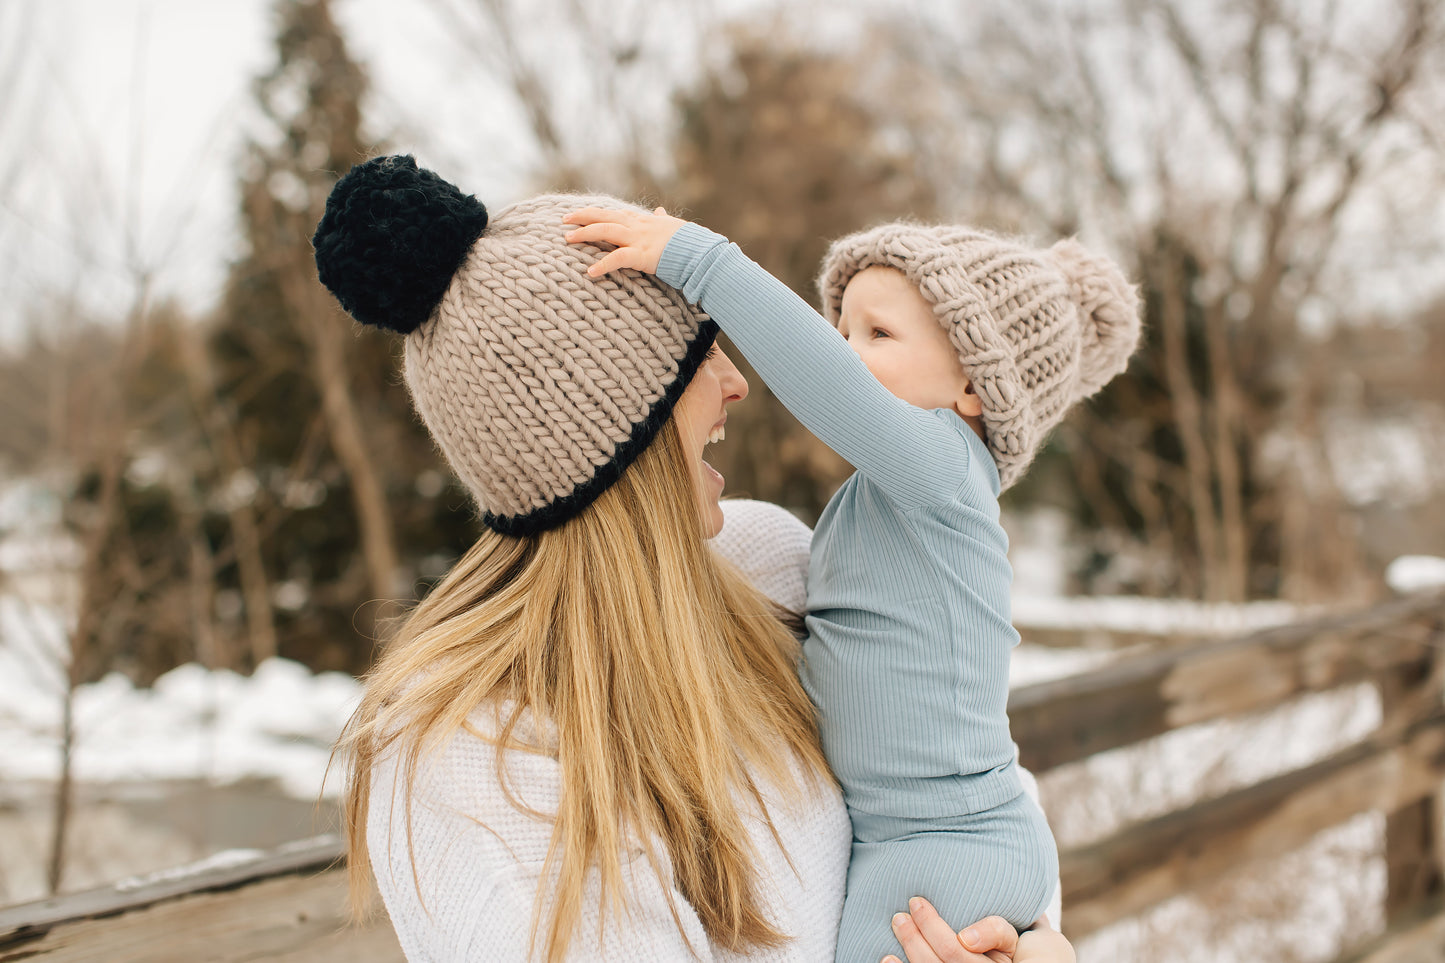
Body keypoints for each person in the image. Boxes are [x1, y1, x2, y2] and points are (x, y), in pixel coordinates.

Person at [314, 154, 1077, 963]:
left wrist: (1033, 946)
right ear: (611, 428)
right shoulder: (472, 753)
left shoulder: (775, 560)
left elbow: (974, 783)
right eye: (697, 354)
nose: (739, 381)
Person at [562, 206, 1140, 963]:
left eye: (877, 334)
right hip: (911, 837)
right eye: (841, 333)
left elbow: (826, 384)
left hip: (946, 840)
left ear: (971, 385)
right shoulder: (884, 499)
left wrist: (700, 262)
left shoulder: (945, 470)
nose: (845, 354)